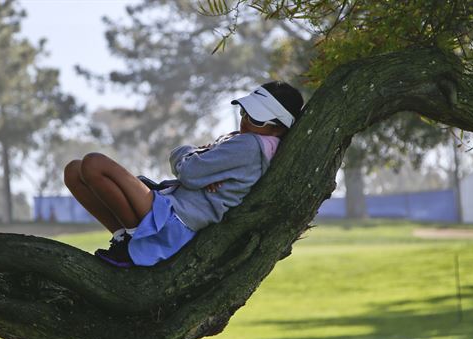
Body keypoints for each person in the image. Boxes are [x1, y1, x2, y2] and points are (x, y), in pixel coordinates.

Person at [64, 81, 304, 268]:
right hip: (172, 206)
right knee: (74, 171)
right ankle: (124, 238)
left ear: (279, 127)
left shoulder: (250, 145)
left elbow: (189, 171)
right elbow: (196, 172)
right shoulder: (249, 142)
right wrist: (200, 168)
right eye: (244, 112)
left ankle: (133, 241)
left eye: (256, 119)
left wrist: (189, 153)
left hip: (176, 220)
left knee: (94, 164)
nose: (245, 121)